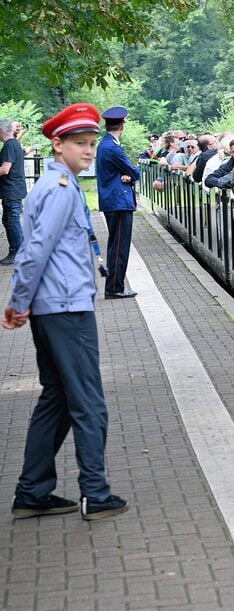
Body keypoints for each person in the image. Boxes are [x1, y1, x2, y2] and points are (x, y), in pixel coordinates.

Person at [3, 103, 129, 521]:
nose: (89, 150)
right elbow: (35, 249)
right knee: (88, 401)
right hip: (66, 307)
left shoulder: (59, 183)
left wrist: (25, 302)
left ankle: (33, 491)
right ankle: (95, 492)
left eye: (92, 143)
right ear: (57, 145)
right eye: (80, 143)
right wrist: (18, 301)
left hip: (53, 305)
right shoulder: (59, 188)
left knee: (56, 398)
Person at [96, 106, 141, 299]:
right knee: (119, 247)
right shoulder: (113, 148)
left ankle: (115, 285)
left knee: (116, 245)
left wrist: (126, 176)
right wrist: (130, 176)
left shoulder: (104, 144)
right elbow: (135, 172)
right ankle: (114, 287)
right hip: (119, 202)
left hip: (112, 200)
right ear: (122, 125)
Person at [0, 119, 27, 265]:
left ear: (1, 130)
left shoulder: (10, 145)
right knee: (9, 221)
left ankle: (19, 253)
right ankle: (16, 251)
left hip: (12, 190)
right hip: (12, 190)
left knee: (12, 221)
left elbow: (5, 169)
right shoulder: (14, 144)